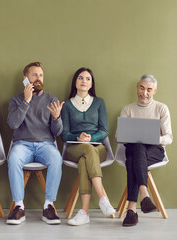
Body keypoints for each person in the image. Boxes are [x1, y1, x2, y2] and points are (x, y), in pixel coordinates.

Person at [6, 62, 64, 225]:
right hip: (22, 145)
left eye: (40, 75)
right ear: (25, 79)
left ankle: (48, 206)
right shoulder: (16, 100)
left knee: (56, 159)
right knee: (14, 158)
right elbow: (13, 124)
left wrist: (56, 118)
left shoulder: (51, 99)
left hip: (45, 144)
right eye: (34, 75)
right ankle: (18, 207)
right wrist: (26, 101)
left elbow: (57, 132)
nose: (38, 79)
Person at [61, 67, 115, 226]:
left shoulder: (99, 102)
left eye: (87, 79)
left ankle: (84, 212)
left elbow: (104, 130)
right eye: (80, 78)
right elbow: (64, 134)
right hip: (74, 148)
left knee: (87, 157)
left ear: (91, 84)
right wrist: (77, 137)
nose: (84, 81)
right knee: (87, 150)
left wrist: (92, 137)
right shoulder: (67, 105)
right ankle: (102, 198)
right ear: (75, 82)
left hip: (98, 147)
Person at [117, 74, 173, 227]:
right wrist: (135, 137)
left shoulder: (161, 108)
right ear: (137, 86)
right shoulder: (127, 109)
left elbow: (169, 138)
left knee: (134, 159)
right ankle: (144, 195)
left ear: (154, 90)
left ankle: (132, 210)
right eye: (142, 88)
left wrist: (153, 138)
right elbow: (119, 137)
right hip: (133, 149)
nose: (144, 93)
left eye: (149, 89)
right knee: (137, 148)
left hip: (155, 150)